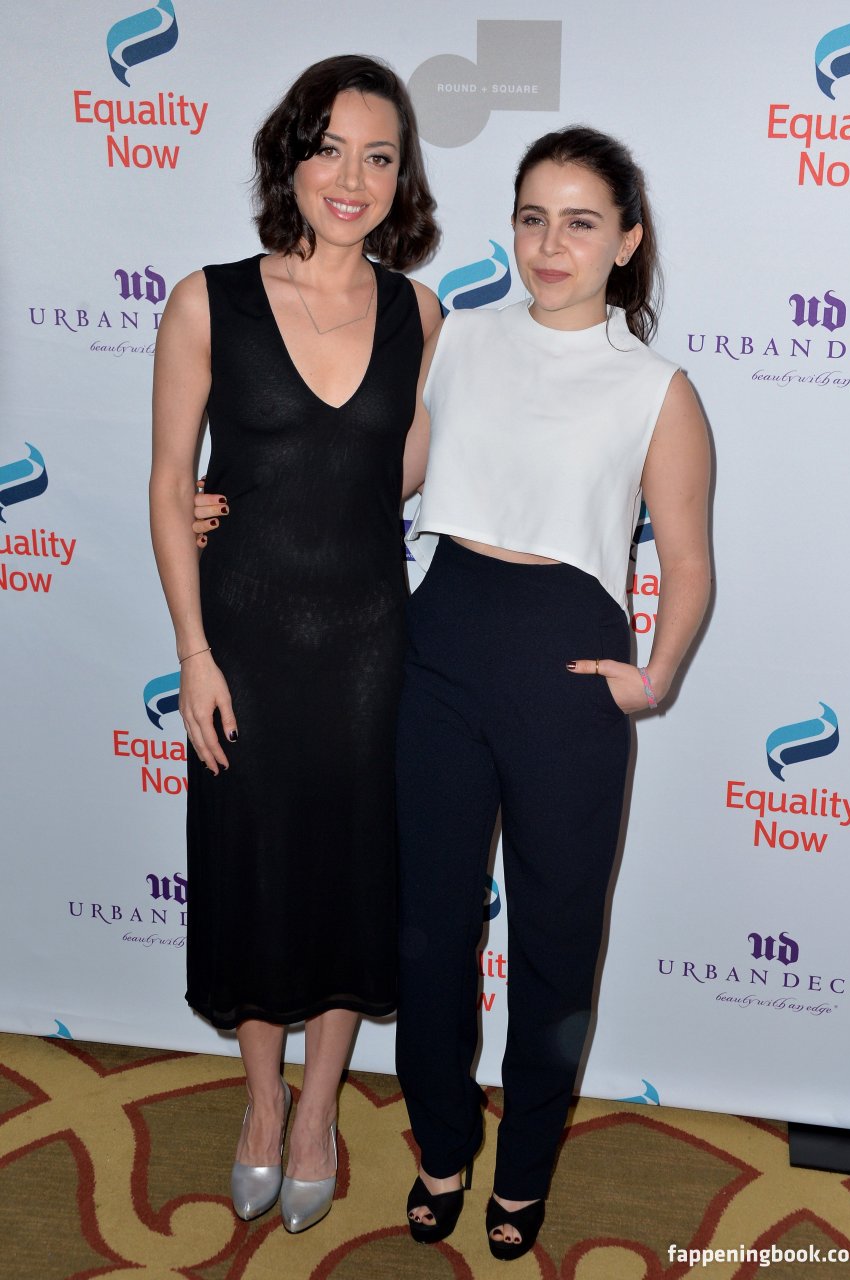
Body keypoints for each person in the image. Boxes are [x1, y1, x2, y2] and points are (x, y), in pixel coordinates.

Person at [195, 125, 711, 1259]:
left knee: (555, 942)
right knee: (428, 933)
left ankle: (523, 1171)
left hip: (569, 668)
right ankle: (441, 1148)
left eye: (581, 222)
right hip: (436, 650)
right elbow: (366, 474)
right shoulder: (459, 338)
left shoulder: (657, 389)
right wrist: (225, 502)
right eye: (532, 218)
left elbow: (688, 559)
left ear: (627, 241)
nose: (551, 245)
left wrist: (656, 675)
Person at [149, 54, 440, 1234]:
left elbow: (402, 473)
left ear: (401, 177)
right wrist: (194, 650)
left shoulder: (422, 313)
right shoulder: (205, 300)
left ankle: (319, 1107)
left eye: (379, 155)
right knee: (254, 867)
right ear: (291, 156)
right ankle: (261, 1099)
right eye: (330, 148)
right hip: (243, 641)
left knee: (350, 873)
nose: (352, 177)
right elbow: (168, 480)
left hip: (370, 644)